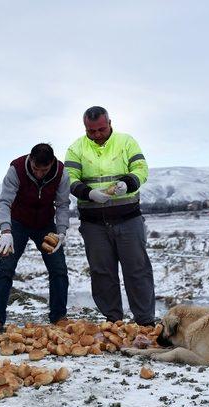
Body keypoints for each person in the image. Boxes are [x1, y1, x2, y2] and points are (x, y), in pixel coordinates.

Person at [65, 106, 155, 326]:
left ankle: (145, 322)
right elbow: (69, 178)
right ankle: (113, 321)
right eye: (91, 130)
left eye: (101, 129)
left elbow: (141, 168)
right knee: (102, 273)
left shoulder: (126, 142)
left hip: (128, 219)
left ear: (110, 123)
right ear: (85, 127)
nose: (96, 134)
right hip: (94, 224)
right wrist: (88, 193)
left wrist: (129, 182)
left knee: (137, 270)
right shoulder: (76, 148)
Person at [0, 143, 70, 332]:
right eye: (36, 169)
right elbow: (3, 201)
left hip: (46, 224)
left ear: (52, 163)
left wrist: (62, 231)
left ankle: (59, 317)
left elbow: (63, 204)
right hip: (17, 223)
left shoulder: (61, 173)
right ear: (30, 161)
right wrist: (6, 231)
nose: (40, 173)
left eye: (45, 169)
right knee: (6, 268)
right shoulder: (16, 169)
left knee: (59, 268)